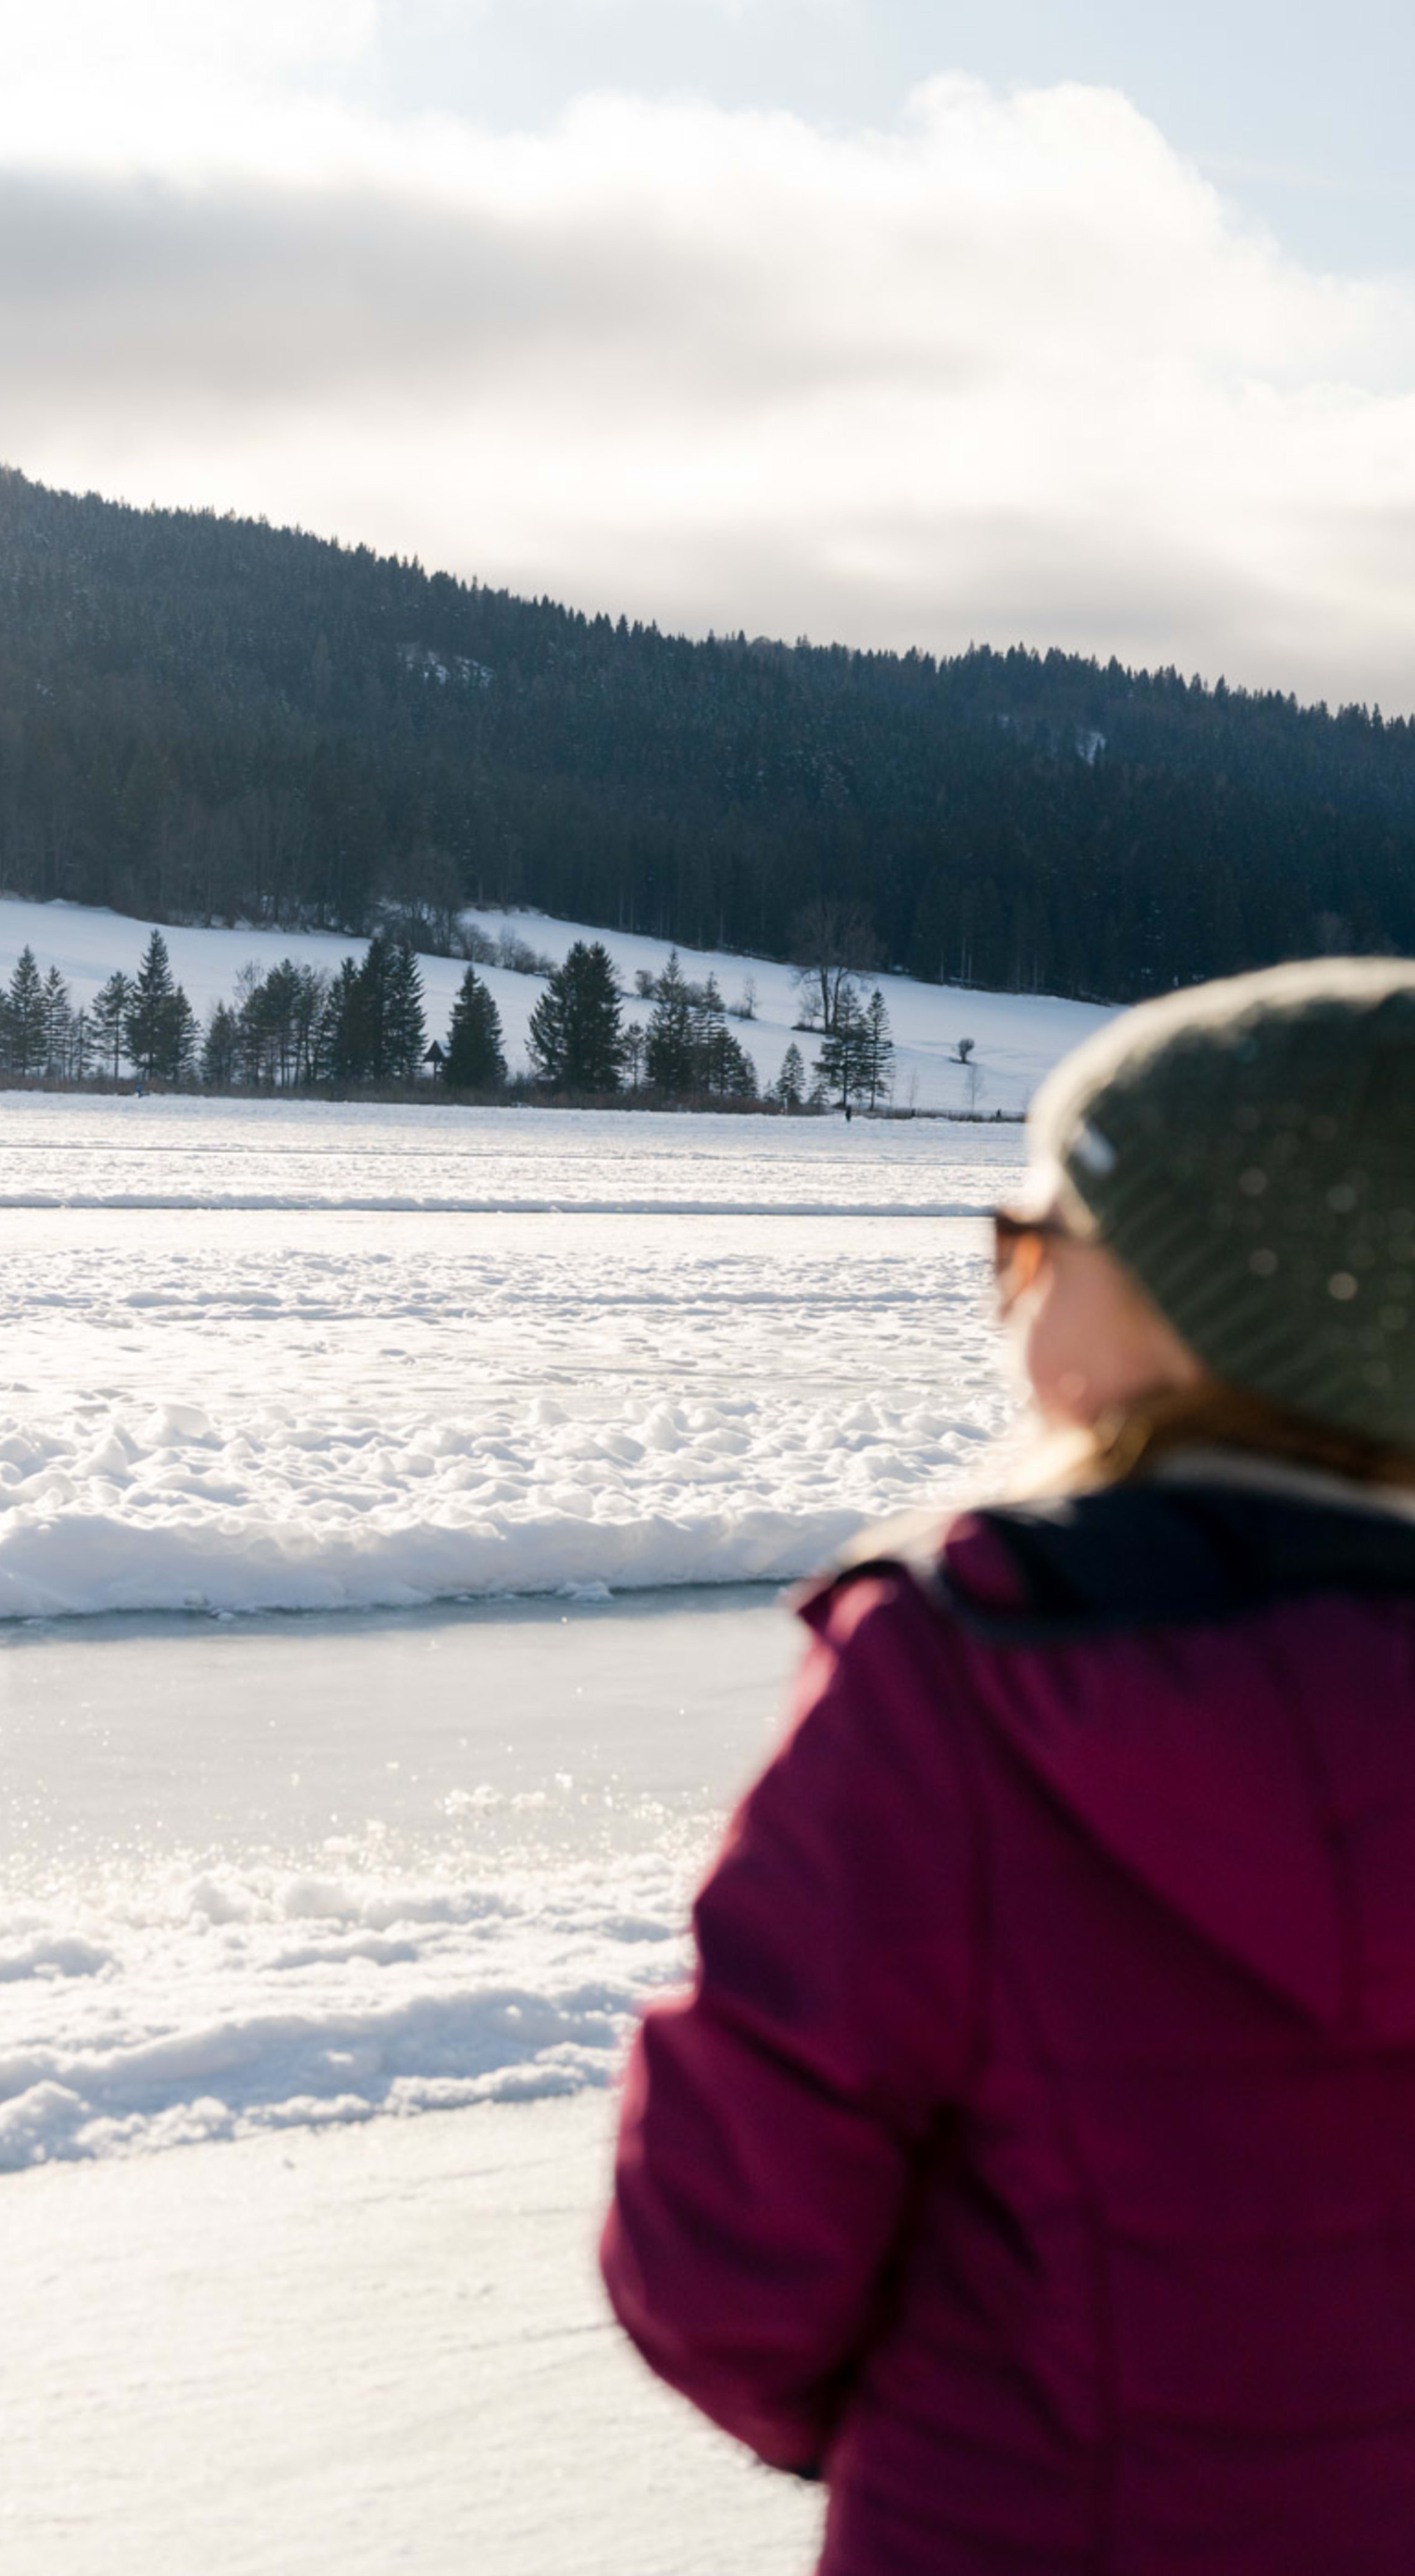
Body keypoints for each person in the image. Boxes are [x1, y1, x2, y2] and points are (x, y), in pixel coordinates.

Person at [602, 958, 1415, 2574]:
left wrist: (931, 2432)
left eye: (1039, 1242)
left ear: (1199, 1308)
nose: (1012, 1285)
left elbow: (725, 2248)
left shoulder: (962, 1680)